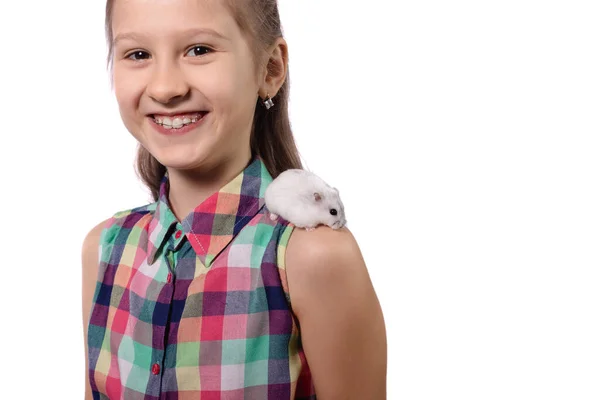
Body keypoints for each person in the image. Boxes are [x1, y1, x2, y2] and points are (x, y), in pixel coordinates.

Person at [81, 0, 387, 398]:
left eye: (199, 50)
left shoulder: (311, 256)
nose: (165, 88)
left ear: (270, 69)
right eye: (138, 54)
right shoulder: (104, 249)